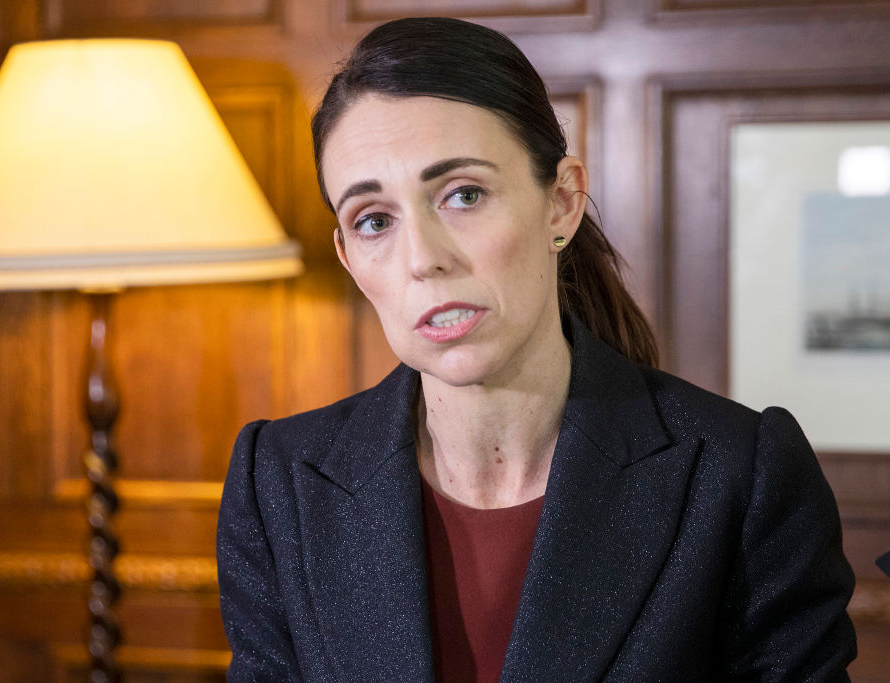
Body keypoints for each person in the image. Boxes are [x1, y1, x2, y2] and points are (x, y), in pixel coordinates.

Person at [217, 16, 856, 682]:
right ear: (349, 256)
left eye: (463, 195)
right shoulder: (278, 482)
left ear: (561, 200)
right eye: (375, 219)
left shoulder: (738, 474)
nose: (423, 259)